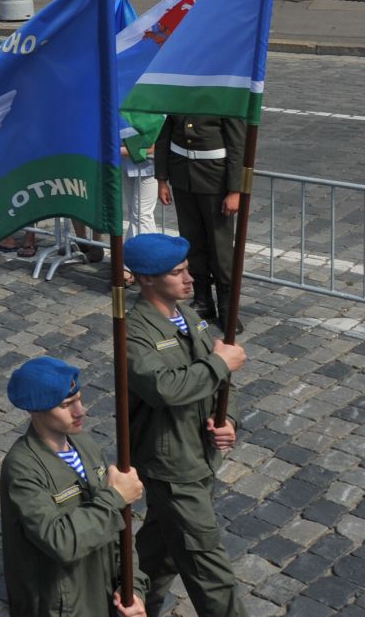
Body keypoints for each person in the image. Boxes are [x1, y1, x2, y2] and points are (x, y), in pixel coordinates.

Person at [123, 233, 248, 617]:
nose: (190, 278)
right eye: (177, 272)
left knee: (161, 549)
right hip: (172, 463)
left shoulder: (186, 315)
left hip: (198, 451)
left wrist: (229, 421)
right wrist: (219, 364)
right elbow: (165, 388)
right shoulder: (134, 333)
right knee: (208, 564)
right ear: (147, 279)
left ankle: (130, 600)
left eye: (187, 269)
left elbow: (217, 381)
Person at [0, 355, 149, 617]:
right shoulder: (21, 468)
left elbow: (119, 529)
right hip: (61, 608)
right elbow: (60, 541)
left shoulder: (86, 446)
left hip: (102, 597)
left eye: (79, 399)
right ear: (36, 409)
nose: (81, 411)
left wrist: (132, 585)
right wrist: (115, 497)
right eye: (67, 404)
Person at [153, 114, 248, 329]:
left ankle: (227, 308)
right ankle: (203, 300)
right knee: (192, 242)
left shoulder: (224, 94)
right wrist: (162, 179)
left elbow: (237, 145)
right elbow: (164, 136)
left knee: (221, 250)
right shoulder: (180, 92)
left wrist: (235, 190)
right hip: (182, 176)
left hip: (215, 179)